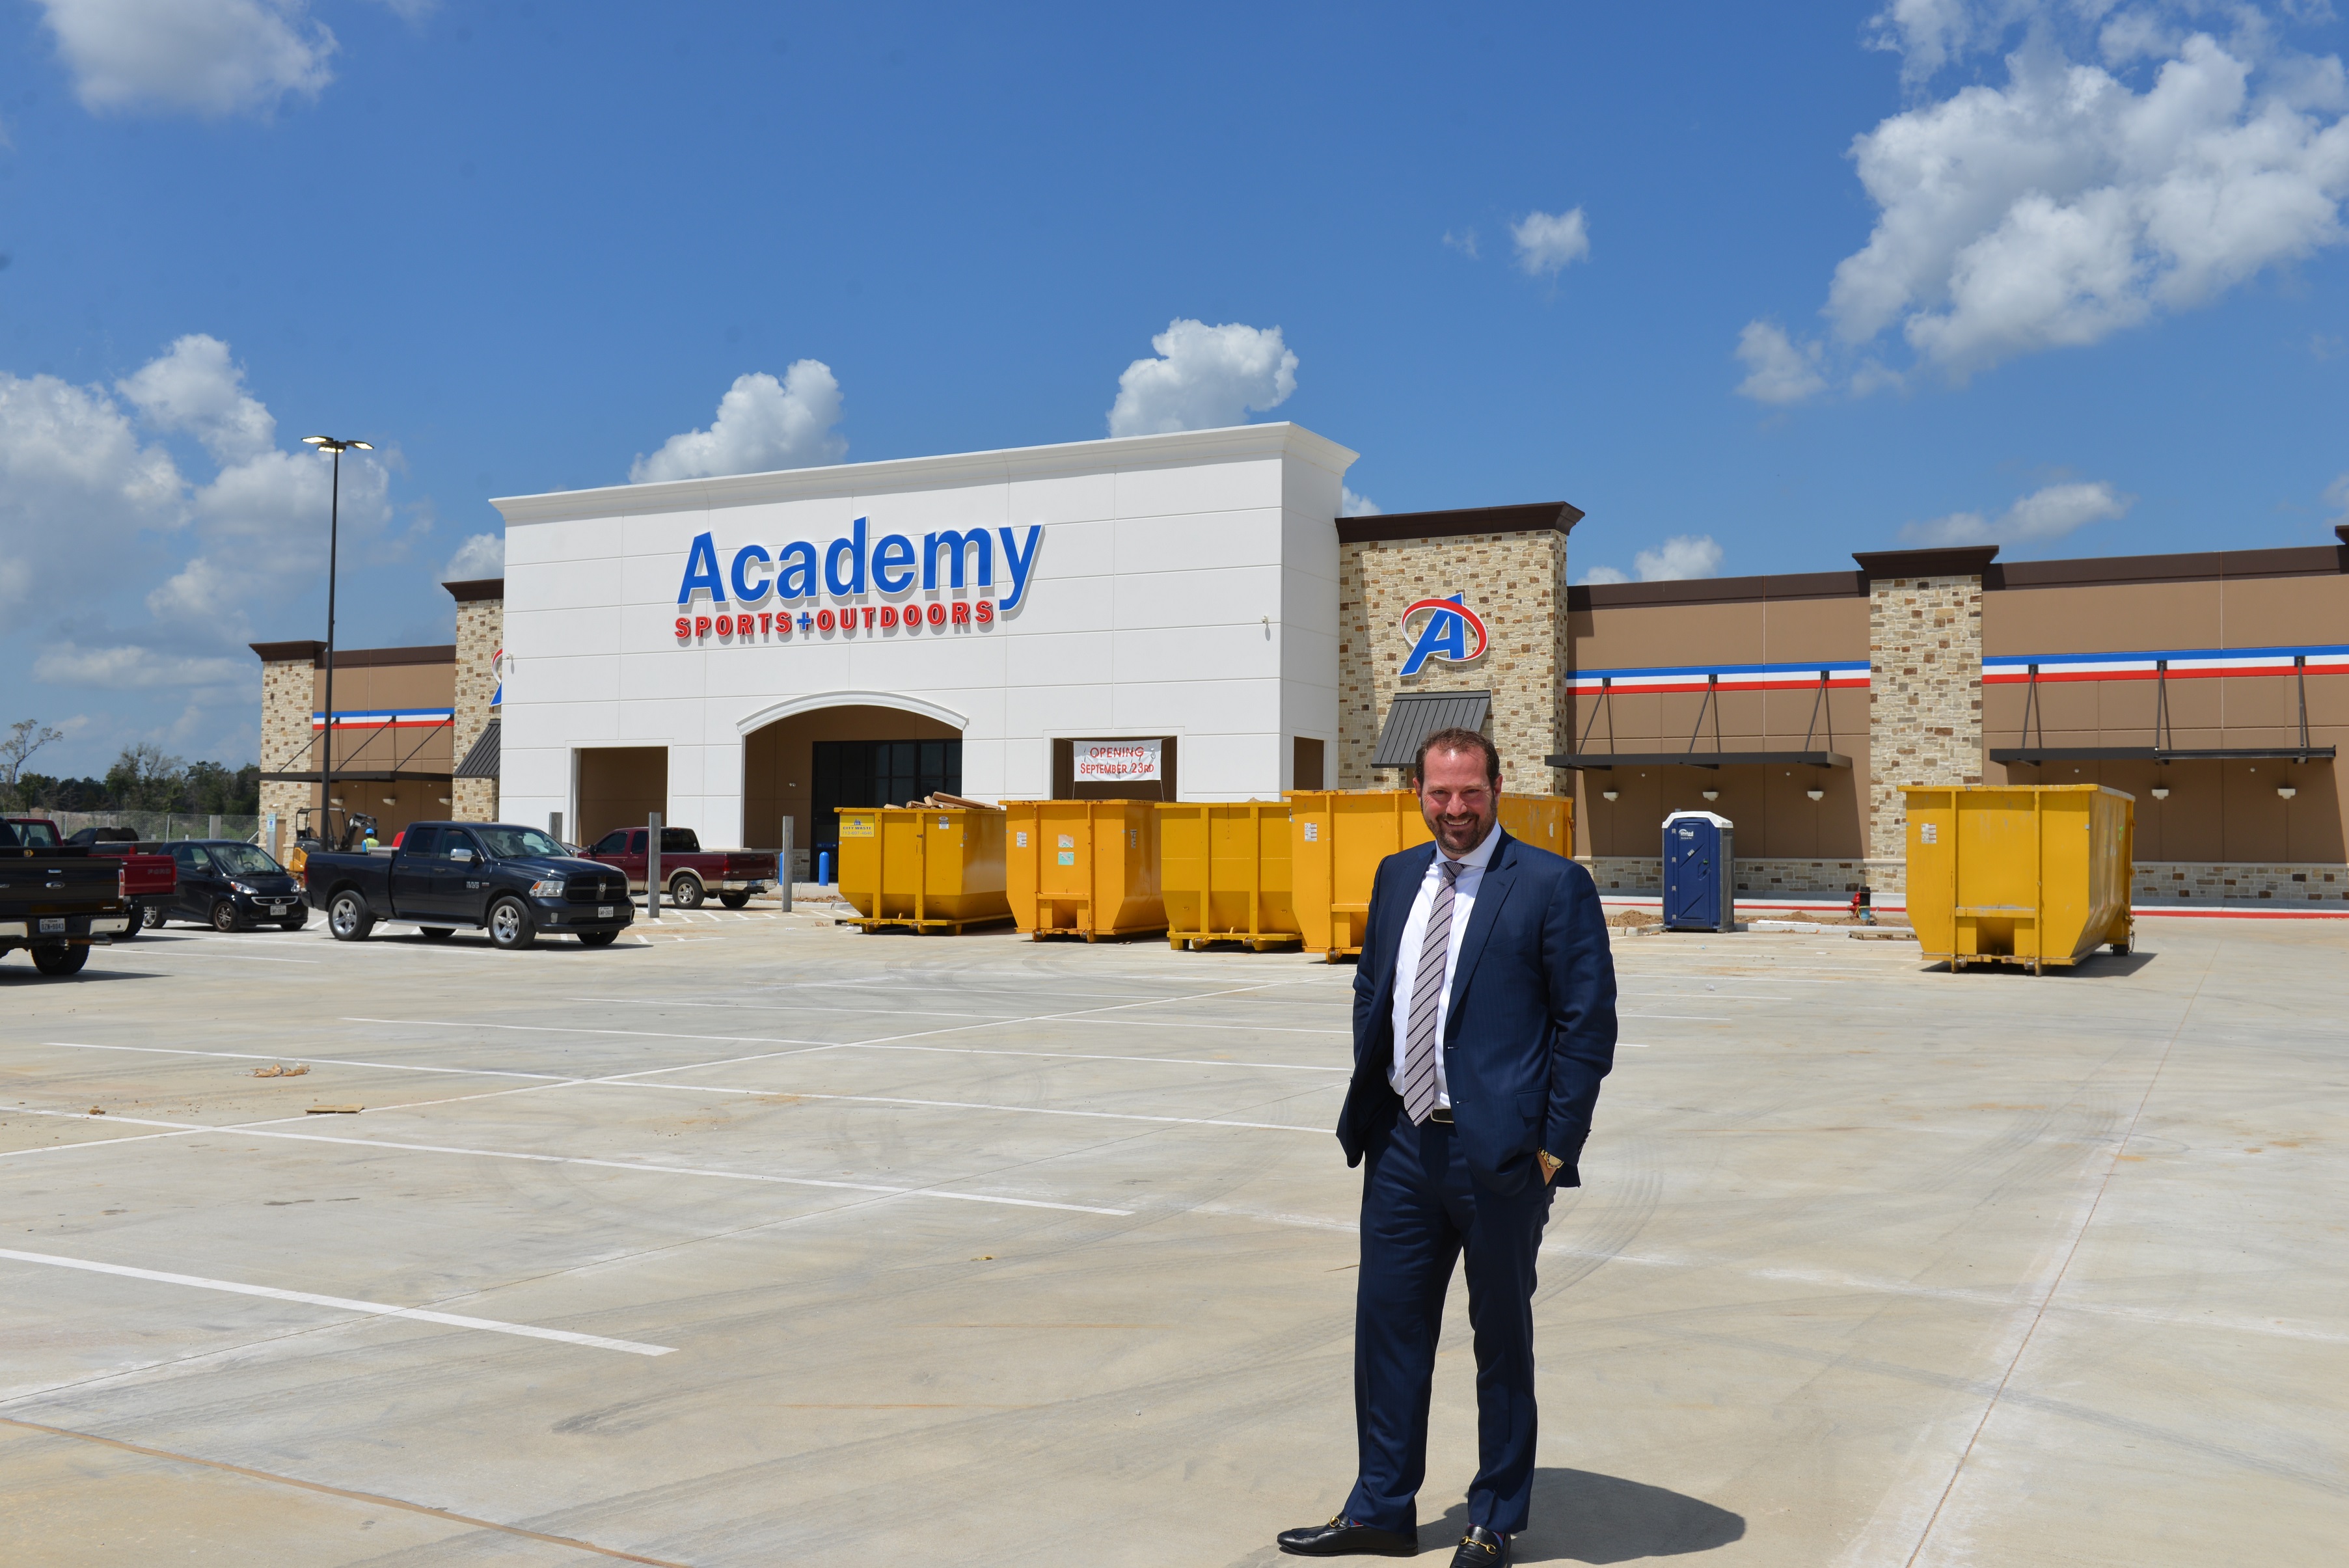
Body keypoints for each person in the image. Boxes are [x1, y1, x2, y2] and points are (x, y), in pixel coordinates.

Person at [1278, 727, 1618, 1566]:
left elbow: (1588, 1026)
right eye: (1439, 793)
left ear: (1497, 787)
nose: (1455, 809)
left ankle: (1494, 1517)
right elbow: (1374, 985)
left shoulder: (1550, 884)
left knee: (1501, 1339)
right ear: (1418, 792)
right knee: (1386, 1332)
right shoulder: (1399, 875)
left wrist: (1552, 1149)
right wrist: (1381, 1080)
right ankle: (1382, 1510)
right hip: (1400, 1146)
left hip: (1500, 1157)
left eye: (1470, 793)